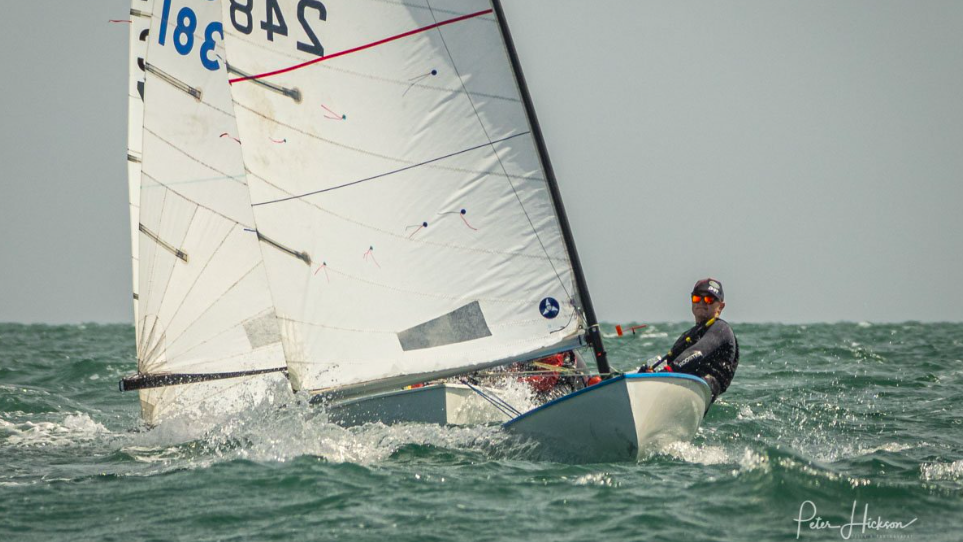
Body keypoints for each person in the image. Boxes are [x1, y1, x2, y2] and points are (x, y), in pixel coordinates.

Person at [640, 278, 739, 402]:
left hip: (699, 391)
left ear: (721, 306)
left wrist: (666, 372)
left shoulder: (721, 329)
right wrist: (648, 374)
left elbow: (697, 353)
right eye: (697, 298)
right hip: (675, 389)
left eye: (709, 299)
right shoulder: (688, 336)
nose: (702, 302)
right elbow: (669, 363)